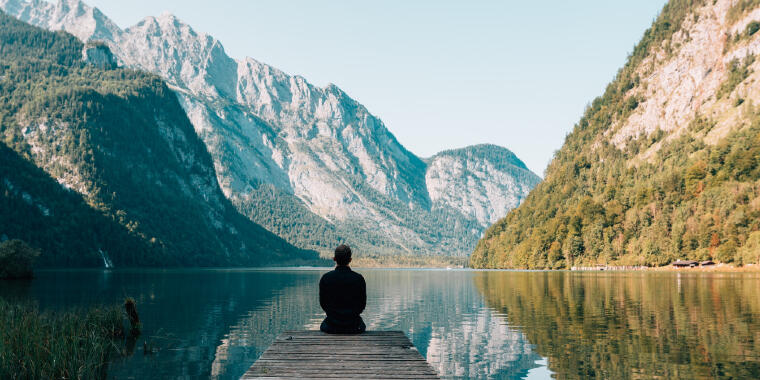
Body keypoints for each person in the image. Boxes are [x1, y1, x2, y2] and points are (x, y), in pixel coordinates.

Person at [319, 244, 366, 334]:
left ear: (334, 259)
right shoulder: (359, 278)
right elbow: (362, 305)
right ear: (350, 260)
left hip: (331, 326)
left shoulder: (326, 278)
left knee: (324, 325)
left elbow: (323, 304)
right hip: (354, 326)